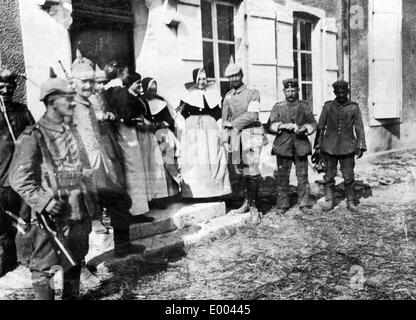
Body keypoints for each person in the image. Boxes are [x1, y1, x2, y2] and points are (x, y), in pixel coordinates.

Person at [8, 70, 91, 299]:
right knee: (44, 268)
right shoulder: (32, 136)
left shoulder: (71, 130)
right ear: (53, 103)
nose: (73, 103)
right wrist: (43, 202)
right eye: (68, 98)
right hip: (49, 216)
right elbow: (19, 178)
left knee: (74, 260)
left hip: (75, 209)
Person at [71, 57, 142, 256]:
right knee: (82, 216)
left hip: (99, 162)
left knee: (120, 201)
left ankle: (122, 246)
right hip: (82, 169)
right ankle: (80, 267)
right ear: (73, 82)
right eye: (83, 81)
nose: (89, 85)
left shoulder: (87, 103)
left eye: (91, 81)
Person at [103, 62, 154, 223]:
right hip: (127, 135)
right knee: (134, 170)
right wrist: (140, 121)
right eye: (125, 71)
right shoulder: (119, 91)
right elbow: (127, 117)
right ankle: (136, 210)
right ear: (120, 73)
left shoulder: (107, 90)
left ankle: (131, 210)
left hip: (119, 134)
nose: (128, 74)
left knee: (128, 171)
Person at [0, 67, 34, 277]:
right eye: (1, 85)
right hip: (0, 178)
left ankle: (26, 260)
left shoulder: (22, 111)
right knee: (2, 226)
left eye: (10, 85)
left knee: (24, 221)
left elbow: (35, 136)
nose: (6, 89)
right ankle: (7, 263)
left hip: (21, 178)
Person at [313, 80, 367, 212]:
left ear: (347, 92)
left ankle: (350, 201)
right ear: (335, 93)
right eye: (339, 92)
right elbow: (320, 127)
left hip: (348, 147)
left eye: (344, 92)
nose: (342, 95)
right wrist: (318, 147)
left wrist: (360, 145)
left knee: (349, 176)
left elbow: (359, 127)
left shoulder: (354, 107)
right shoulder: (328, 107)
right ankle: (329, 200)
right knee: (329, 176)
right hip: (329, 147)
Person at [179, 68, 231, 199]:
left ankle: (213, 192)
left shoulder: (211, 95)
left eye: (204, 79)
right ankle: (195, 193)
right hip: (193, 130)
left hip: (210, 128)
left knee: (212, 156)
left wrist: (220, 128)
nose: (202, 82)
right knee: (195, 157)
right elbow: (182, 114)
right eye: (199, 79)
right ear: (195, 80)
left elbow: (217, 113)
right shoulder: (187, 96)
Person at [222, 62, 264, 224]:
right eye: (230, 77)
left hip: (251, 135)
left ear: (242, 75)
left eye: (236, 75)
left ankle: (254, 208)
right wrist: (225, 140)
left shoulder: (252, 92)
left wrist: (233, 124)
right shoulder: (228, 96)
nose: (234, 79)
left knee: (251, 171)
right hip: (235, 138)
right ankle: (246, 203)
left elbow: (253, 115)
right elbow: (224, 120)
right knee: (240, 171)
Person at [268, 78, 317, 215]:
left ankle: (304, 203)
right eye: (288, 91)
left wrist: (305, 128)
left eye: (293, 90)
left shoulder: (305, 106)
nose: (290, 93)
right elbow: (270, 125)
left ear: (298, 91)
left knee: (302, 176)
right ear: (284, 91)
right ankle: (282, 204)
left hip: (300, 144)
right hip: (283, 145)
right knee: (283, 176)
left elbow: (313, 123)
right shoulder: (278, 107)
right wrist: (284, 126)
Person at [125, 73, 170, 206]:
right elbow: (130, 118)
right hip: (135, 135)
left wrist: (150, 124)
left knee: (154, 165)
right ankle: (146, 200)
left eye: (140, 83)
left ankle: (157, 197)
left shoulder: (140, 99)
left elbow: (147, 116)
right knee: (142, 167)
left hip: (147, 135)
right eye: (137, 83)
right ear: (130, 84)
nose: (140, 86)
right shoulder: (126, 98)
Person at [141, 77, 181, 197]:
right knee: (155, 166)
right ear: (145, 89)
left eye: (155, 90)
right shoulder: (141, 101)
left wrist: (162, 124)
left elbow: (169, 120)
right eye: (150, 90)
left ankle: (172, 193)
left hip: (163, 135)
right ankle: (158, 196)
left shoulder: (161, 102)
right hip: (148, 136)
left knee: (169, 162)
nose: (153, 92)